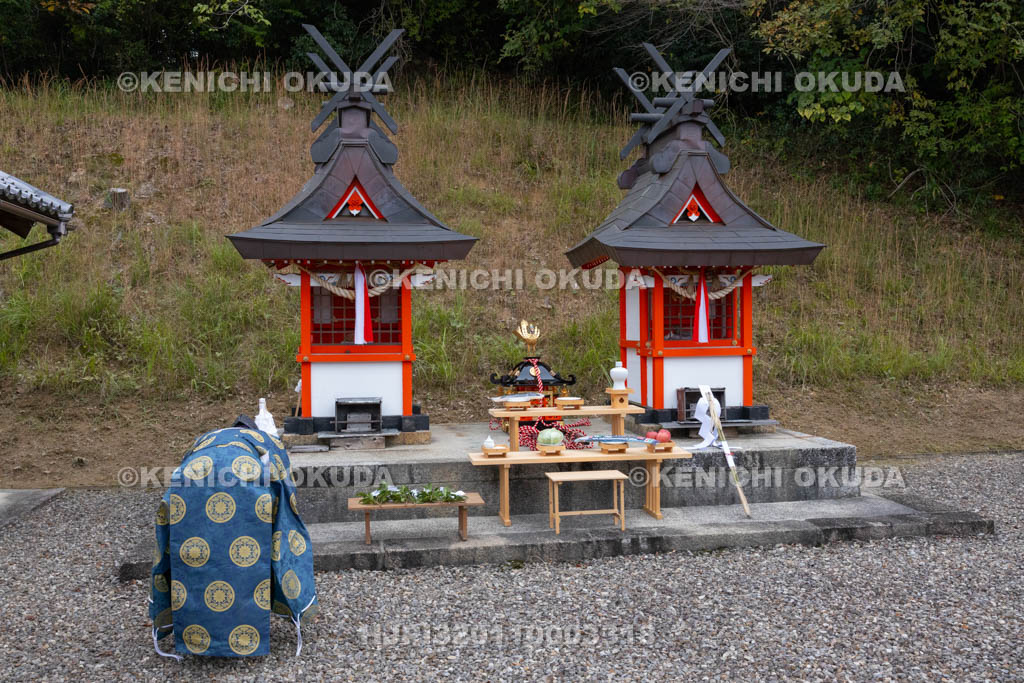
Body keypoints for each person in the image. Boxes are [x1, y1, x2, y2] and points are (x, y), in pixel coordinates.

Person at [149, 416, 317, 658]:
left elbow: (185, 461)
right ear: (253, 429)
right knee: (253, 552)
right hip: (249, 483)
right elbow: (283, 480)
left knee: (194, 555)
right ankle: (256, 626)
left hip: (189, 484)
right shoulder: (265, 440)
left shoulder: (206, 438)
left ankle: (195, 633)